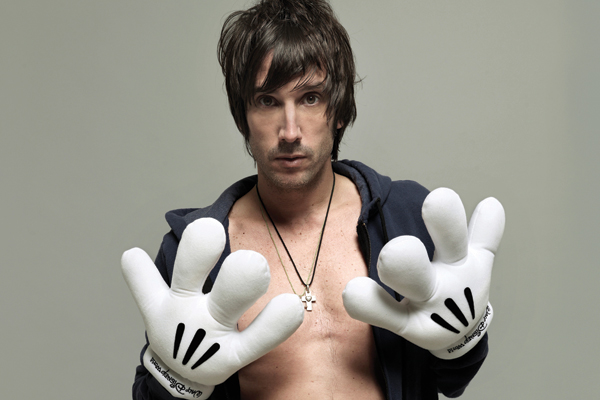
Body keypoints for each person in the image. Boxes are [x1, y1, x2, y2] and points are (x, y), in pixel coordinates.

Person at [122, 1, 504, 399]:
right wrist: (179, 380)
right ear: (242, 117)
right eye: (267, 101)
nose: (290, 131)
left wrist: (462, 338)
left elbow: (452, 379)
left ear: (339, 111)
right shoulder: (197, 252)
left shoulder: (405, 216)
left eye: (310, 98)